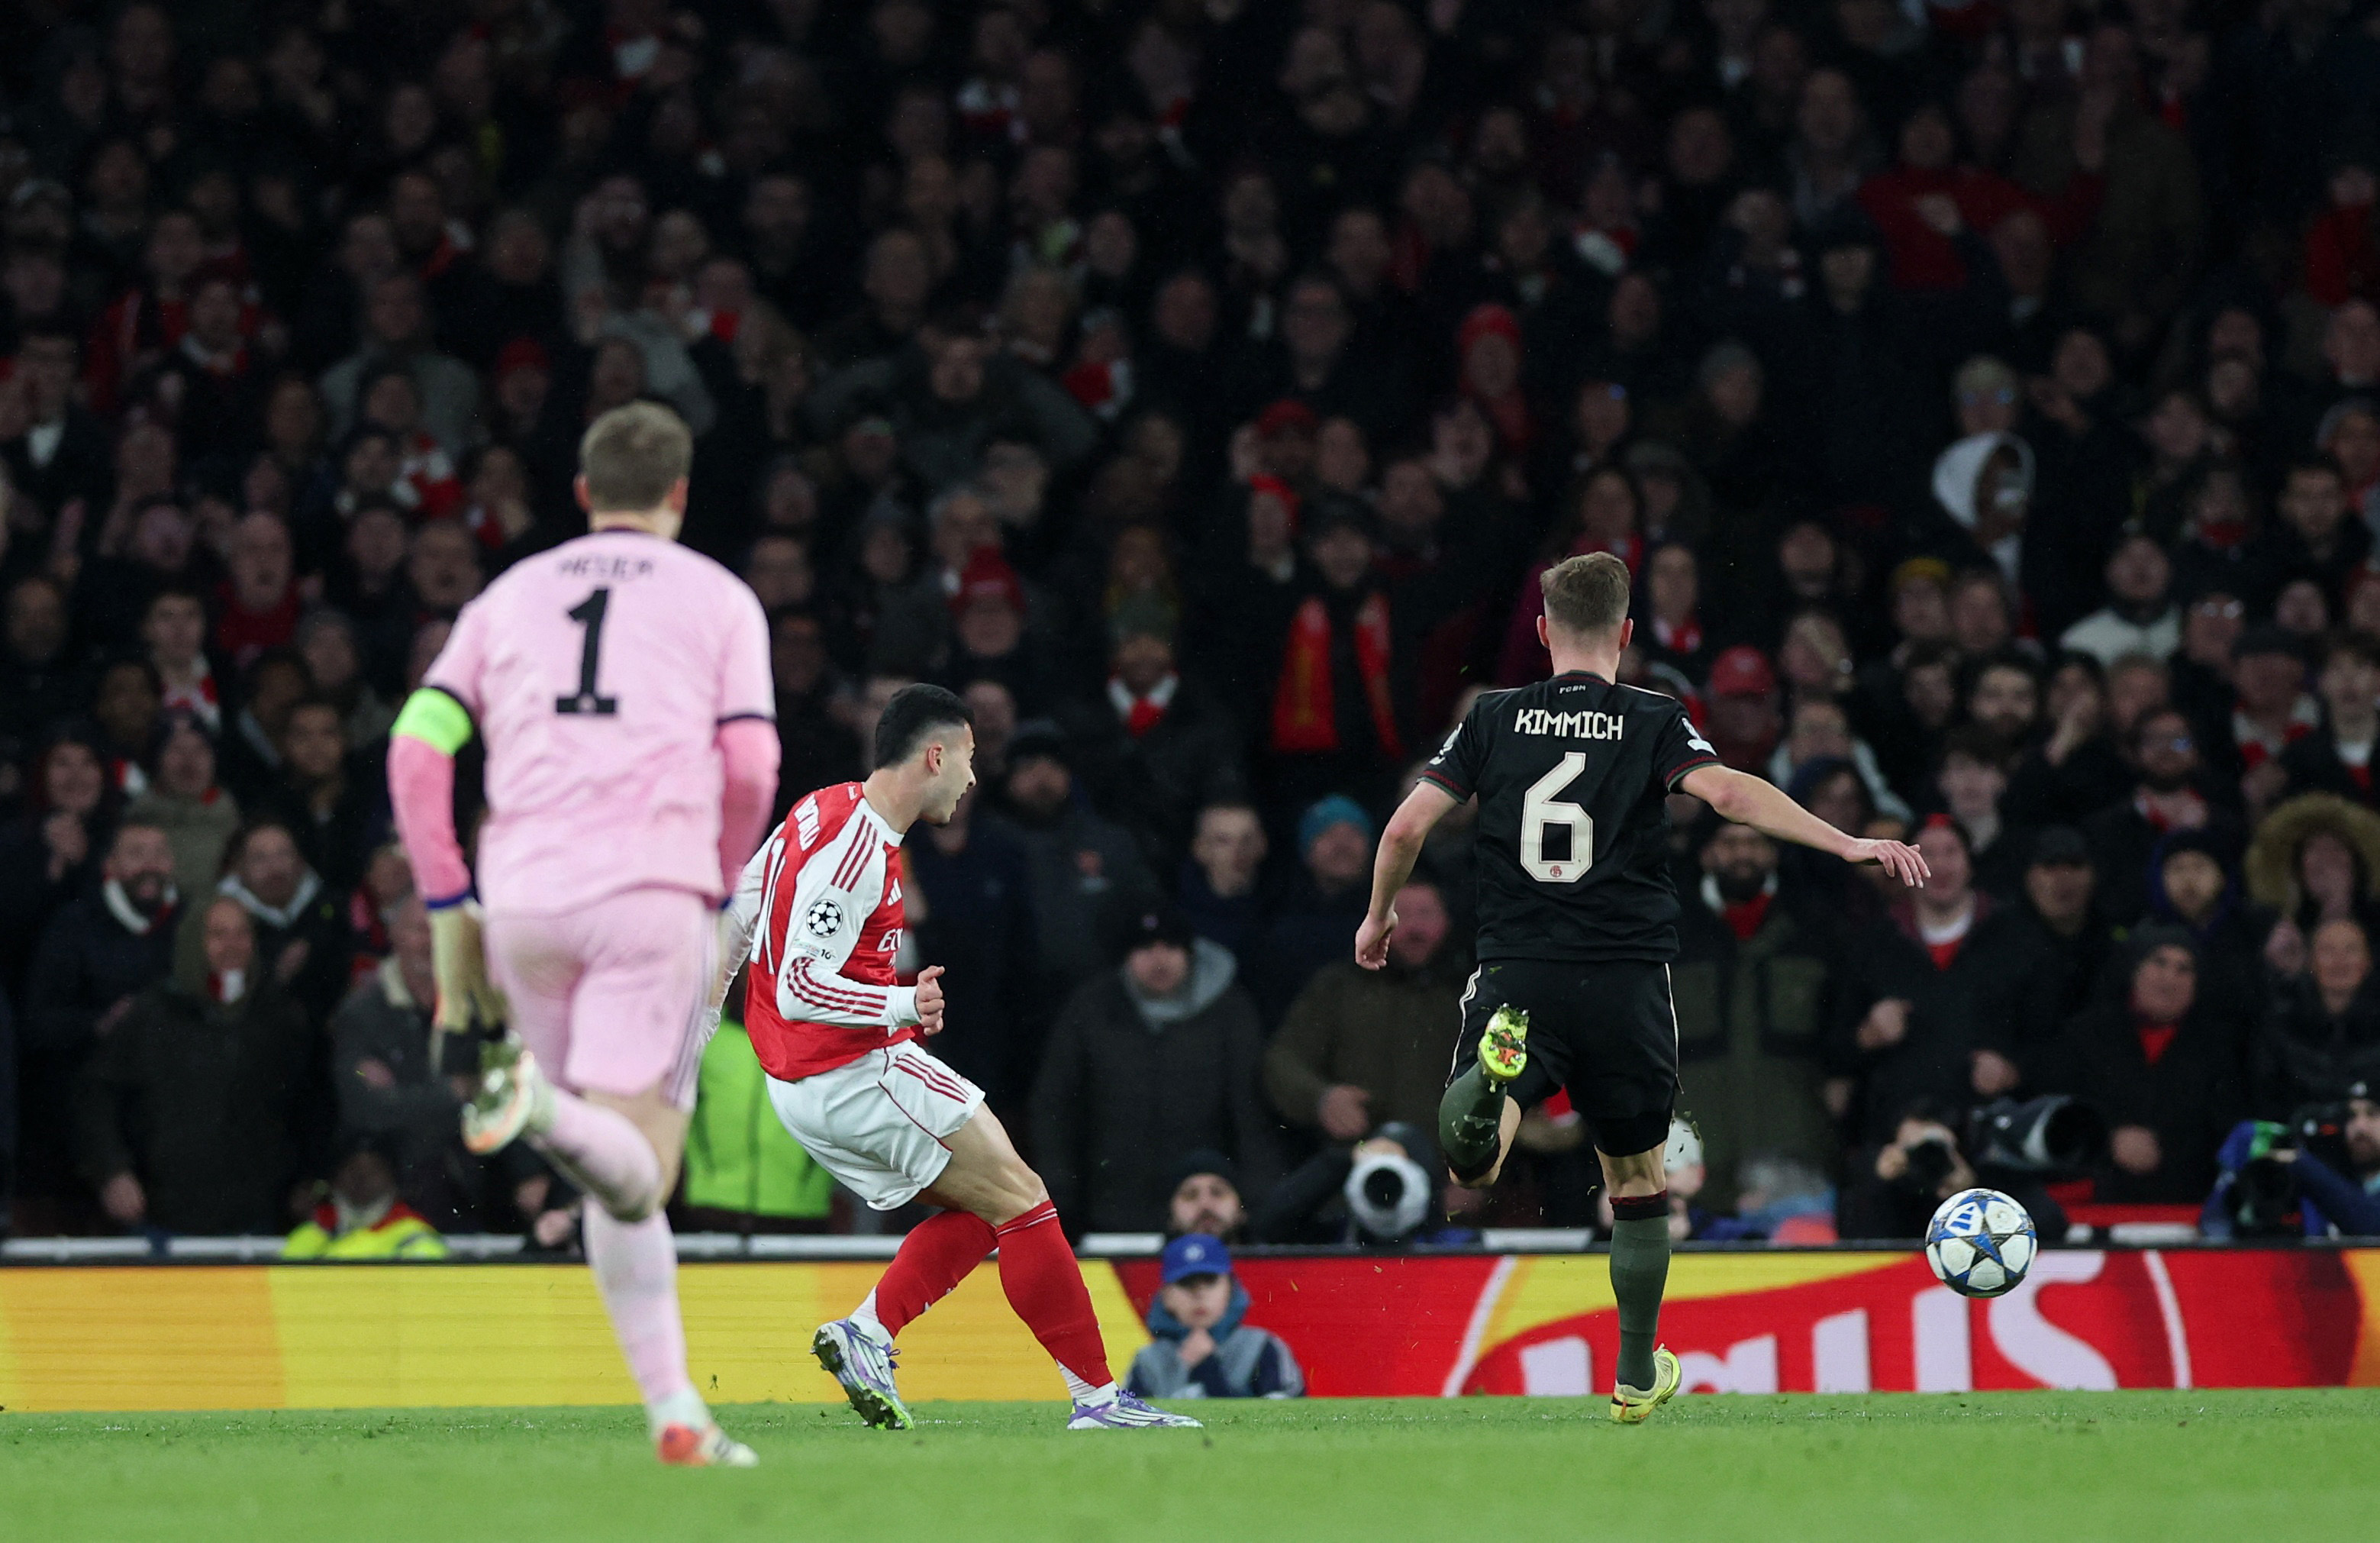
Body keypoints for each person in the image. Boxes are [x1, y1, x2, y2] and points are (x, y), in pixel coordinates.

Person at [1356, 551, 1928, 1423]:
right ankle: (1632, 1373)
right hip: (1625, 982)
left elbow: (1404, 825)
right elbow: (1730, 793)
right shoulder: (1654, 717)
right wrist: (1846, 843)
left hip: (1519, 969)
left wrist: (1377, 917)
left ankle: (1492, 1083)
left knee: (1476, 1157)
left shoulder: (1492, 718)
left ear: (1543, 632)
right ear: (1627, 634)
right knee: (1635, 1180)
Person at [387, 402, 780, 1469]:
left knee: (604, 1172)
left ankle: (675, 1414)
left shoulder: (508, 595)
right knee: (641, 1169)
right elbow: (748, 763)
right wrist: (712, 875)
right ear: (680, 495)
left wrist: (442, 899)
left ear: (581, 494)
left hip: (520, 902)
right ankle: (538, 1102)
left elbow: (419, 749)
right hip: (651, 891)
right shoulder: (721, 599)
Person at [705, 684, 1199, 1433]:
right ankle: (1098, 1401)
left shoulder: (819, 808)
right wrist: (898, 1004)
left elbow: (742, 905)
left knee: (988, 1204)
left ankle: (867, 1332)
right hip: (853, 1068)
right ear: (934, 755)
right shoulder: (858, 850)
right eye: (967, 759)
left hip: (804, 1078)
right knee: (1025, 1196)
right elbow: (804, 984)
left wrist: (703, 1017)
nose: (972, 778)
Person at [1032, 906, 1280, 1235]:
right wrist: (1060, 1197)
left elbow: (1252, 1114)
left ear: (1190, 953)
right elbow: (1055, 1107)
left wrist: (1257, 1200)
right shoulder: (1091, 1009)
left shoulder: (1230, 1011)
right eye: (1146, 949)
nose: (1159, 960)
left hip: (1206, 1214)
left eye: (1171, 948)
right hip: (1112, 1211)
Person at [1124, 1234, 1305, 1401]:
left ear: (1230, 1288)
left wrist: (1209, 1372)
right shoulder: (1148, 1361)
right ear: (1166, 1295)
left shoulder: (1262, 1348)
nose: (1199, 1293)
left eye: (1210, 1281)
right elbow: (1128, 1427)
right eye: (1186, 1283)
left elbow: (1286, 1422)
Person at [280, 1134, 447, 1261]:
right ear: (335, 1178)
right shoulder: (313, 1232)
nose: (361, 1176)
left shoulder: (413, 1235)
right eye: (352, 1167)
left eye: (374, 1168)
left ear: (394, 1181)